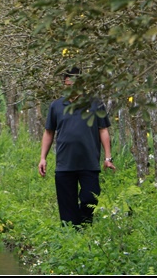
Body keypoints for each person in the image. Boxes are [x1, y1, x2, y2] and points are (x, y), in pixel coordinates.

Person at [38, 67, 115, 228]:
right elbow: (49, 132)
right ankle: (71, 234)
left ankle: (85, 227)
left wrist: (108, 157)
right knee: (67, 205)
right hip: (65, 163)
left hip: (89, 162)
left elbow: (103, 130)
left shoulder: (95, 103)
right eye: (68, 85)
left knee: (90, 198)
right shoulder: (57, 105)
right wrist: (43, 158)